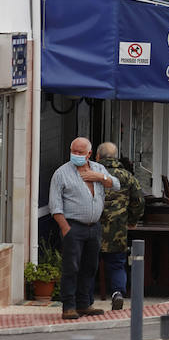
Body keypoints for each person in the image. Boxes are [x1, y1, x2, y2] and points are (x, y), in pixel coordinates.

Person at [49, 137, 120, 319]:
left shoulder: (98, 169)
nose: (77, 155)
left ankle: (83, 304)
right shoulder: (61, 173)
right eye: (74, 151)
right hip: (73, 226)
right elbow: (55, 206)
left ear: (89, 154)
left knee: (90, 267)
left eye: (81, 152)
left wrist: (100, 177)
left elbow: (116, 185)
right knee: (71, 267)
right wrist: (66, 229)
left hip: (94, 227)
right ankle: (69, 306)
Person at [96, 143, 143, 311]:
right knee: (117, 263)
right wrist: (132, 220)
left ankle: (85, 298)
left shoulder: (92, 174)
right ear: (116, 157)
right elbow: (139, 201)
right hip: (118, 228)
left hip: (92, 225)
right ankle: (117, 293)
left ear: (97, 156)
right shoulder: (127, 176)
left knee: (88, 262)